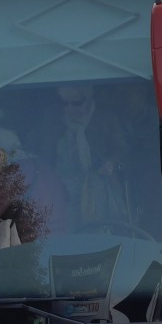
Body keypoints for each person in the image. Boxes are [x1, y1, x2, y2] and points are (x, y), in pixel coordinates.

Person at [54, 85, 130, 226]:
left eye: (76, 102)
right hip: (69, 193)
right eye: (65, 103)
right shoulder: (55, 124)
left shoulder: (107, 120)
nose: (70, 108)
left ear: (89, 100)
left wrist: (111, 163)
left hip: (103, 190)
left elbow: (122, 151)